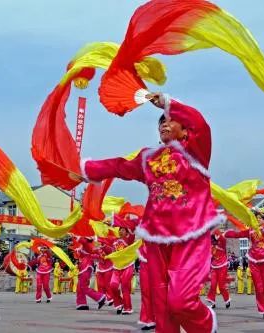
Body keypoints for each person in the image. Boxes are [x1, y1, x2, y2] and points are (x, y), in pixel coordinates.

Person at [76, 92, 220, 332]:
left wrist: (167, 102)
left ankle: (206, 325)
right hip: (155, 239)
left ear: (186, 131)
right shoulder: (149, 158)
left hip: (190, 235)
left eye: (170, 120)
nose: (164, 124)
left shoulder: (197, 152)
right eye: (161, 122)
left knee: (180, 300)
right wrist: (87, 169)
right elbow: (120, 166)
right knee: (162, 306)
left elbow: (200, 124)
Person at [225, 209, 264, 319]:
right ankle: (263, 309)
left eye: (259, 218)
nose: (257, 220)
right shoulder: (250, 231)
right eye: (255, 218)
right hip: (253, 261)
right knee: (258, 288)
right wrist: (224, 234)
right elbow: (237, 234)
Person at [110, 216, 138, 315]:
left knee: (125, 288)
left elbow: (132, 232)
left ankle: (127, 308)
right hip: (117, 267)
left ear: (126, 232)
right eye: (120, 229)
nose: (121, 231)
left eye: (123, 230)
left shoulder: (129, 240)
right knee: (113, 286)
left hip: (127, 266)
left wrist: (127, 223)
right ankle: (120, 303)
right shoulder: (114, 241)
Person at [72, 237, 106, 310]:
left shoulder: (88, 243)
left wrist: (74, 234)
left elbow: (81, 240)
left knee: (83, 286)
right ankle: (82, 304)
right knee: (79, 286)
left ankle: (100, 297)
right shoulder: (85, 244)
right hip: (83, 266)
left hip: (86, 266)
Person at [207, 230, 231, 309]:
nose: (212, 242)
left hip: (222, 267)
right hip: (214, 267)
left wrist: (218, 234)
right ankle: (212, 302)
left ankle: (227, 300)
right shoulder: (211, 248)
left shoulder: (222, 244)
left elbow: (223, 239)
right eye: (211, 240)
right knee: (213, 285)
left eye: (213, 240)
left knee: (221, 286)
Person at [138, 243, 156, 331]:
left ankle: (161, 320)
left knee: (159, 294)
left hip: (159, 264)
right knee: (146, 293)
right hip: (145, 266)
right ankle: (149, 320)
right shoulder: (142, 239)